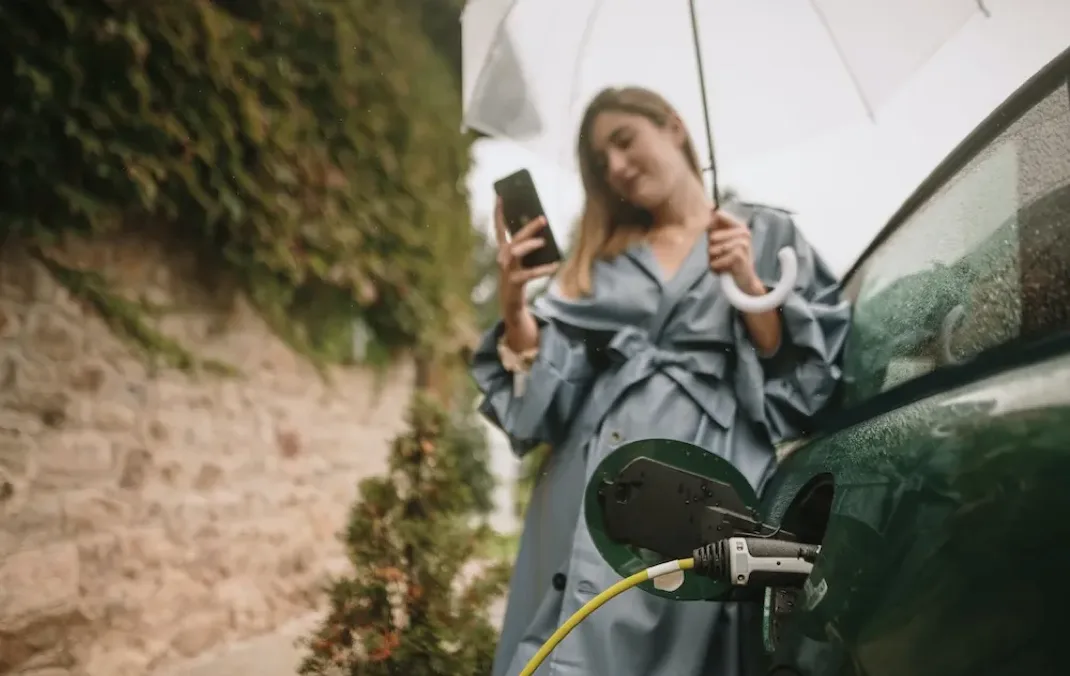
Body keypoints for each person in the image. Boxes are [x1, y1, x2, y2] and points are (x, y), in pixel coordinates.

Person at [472, 86, 850, 676]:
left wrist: (749, 286)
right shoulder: (601, 261)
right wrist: (516, 303)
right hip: (592, 476)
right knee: (571, 644)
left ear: (673, 125)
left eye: (624, 141)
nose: (617, 167)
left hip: (705, 484)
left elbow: (806, 385)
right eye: (602, 163)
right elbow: (547, 391)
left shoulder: (764, 233)